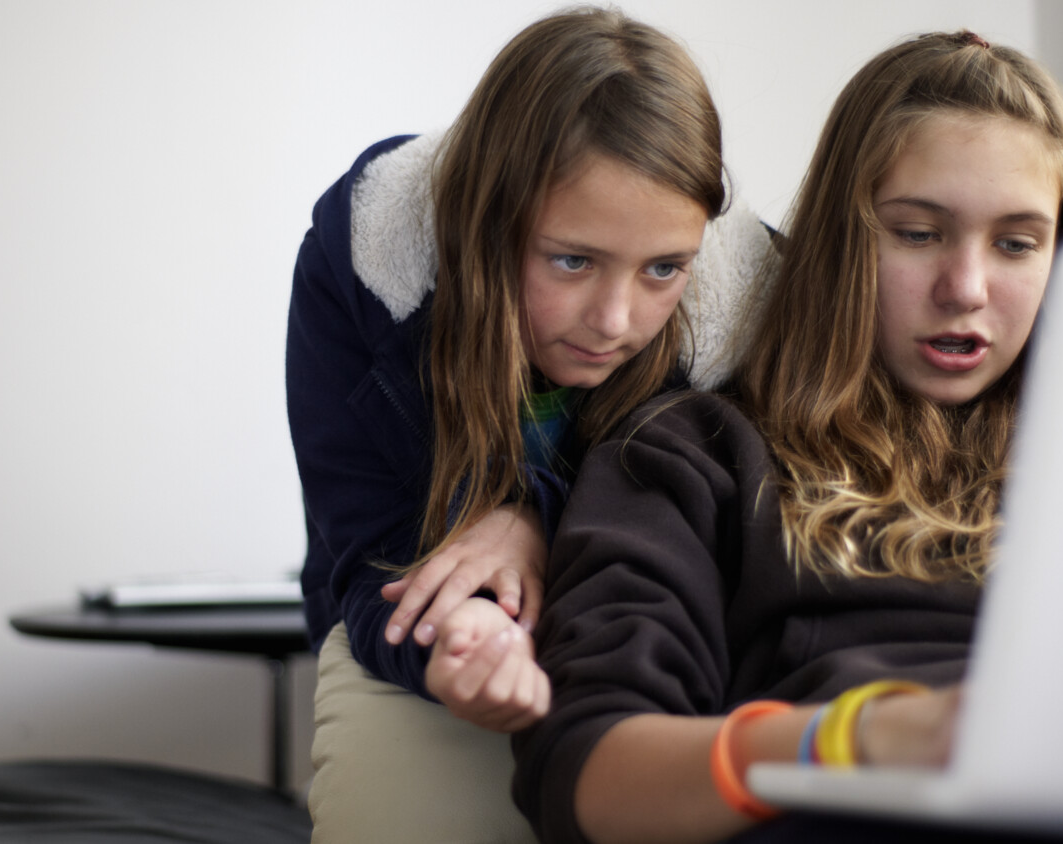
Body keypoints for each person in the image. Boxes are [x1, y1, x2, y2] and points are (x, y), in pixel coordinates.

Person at [512, 30, 1063, 844]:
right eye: (918, 233)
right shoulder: (693, 455)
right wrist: (853, 739)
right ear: (838, 240)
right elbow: (585, 779)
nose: (965, 289)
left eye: (1016, 244)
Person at [286, 7, 772, 840]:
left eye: (664, 268)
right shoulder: (365, 272)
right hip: (412, 642)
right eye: (572, 260)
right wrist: (457, 634)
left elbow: (719, 570)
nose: (616, 320)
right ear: (488, 220)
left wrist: (536, 520)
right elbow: (362, 552)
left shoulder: (743, 323)